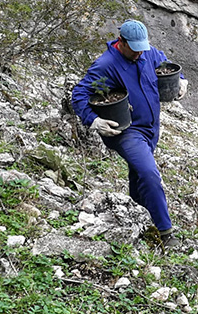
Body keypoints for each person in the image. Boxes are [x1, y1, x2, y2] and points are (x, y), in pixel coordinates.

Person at [71, 19, 187, 247]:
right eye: (134, 49)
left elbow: (164, 62)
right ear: (121, 42)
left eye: (142, 48)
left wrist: (181, 81)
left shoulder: (147, 52)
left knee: (139, 174)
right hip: (127, 130)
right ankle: (165, 233)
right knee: (149, 173)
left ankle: (140, 221)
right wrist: (94, 120)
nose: (138, 53)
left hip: (151, 128)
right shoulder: (106, 65)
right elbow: (79, 94)